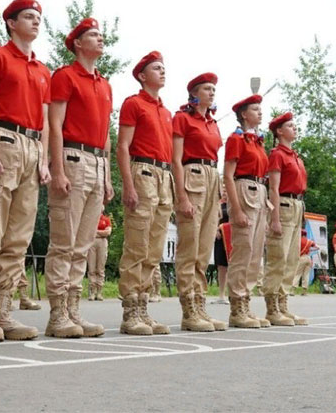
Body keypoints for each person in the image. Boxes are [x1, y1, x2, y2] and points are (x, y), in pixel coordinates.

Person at [0, 0, 51, 342]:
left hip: (32, 148)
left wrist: (45, 159)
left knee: (18, 237)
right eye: (28, 17)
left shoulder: (42, 69)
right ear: (10, 22)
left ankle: (5, 313)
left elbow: (46, 120)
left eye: (38, 18)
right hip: (3, 141)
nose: (35, 22)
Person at [44, 17, 112, 339]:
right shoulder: (65, 76)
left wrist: (108, 175)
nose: (100, 40)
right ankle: (58, 313)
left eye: (101, 35)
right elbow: (54, 124)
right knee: (64, 242)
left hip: (97, 163)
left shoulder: (104, 83)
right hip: (72, 158)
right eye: (93, 36)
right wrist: (56, 169)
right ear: (77, 43)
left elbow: (105, 134)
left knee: (83, 245)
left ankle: (74, 309)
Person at [117, 51, 173, 335]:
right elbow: (123, 146)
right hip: (143, 171)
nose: (163, 72)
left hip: (164, 175)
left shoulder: (165, 112)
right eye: (156, 68)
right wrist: (128, 184)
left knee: (154, 247)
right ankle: (130, 311)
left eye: (164, 68)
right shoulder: (134, 104)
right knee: (137, 244)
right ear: (142, 75)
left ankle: (143, 306)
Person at [172, 72, 225, 332]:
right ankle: (189, 309)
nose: (212, 92)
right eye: (206, 88)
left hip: (212, 176)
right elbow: (176, 158)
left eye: (213, 88)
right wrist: (181, 196)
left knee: (204, 249)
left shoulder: (213, 123)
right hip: (191, 174)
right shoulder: (183, 118)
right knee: (189, 246)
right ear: (194, 93)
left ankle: (200, 303)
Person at [223, 94, 269, 328]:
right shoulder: (236, 139)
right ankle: (237, 305)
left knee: (255, 252)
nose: (260, 113)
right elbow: (228, 176)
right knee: (243, 249)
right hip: (244, 189)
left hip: (259, 191)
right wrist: (237, 209)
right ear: (243, 114)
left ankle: (246, 301)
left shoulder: (258, 142)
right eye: (255, 109)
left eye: (260, 109)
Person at [263, 112, 308, 326]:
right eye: (290, 126)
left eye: (294, 125)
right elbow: (273, 187)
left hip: (297, 204)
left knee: (291, 258)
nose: (295, 128)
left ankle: (283, 304)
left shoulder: (295, 156)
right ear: (279, 131)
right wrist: (274, 218)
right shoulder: (277, 155)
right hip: (282, 203)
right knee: (278, 257)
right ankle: (272, 307)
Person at [212, 191, 230, 304]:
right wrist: (216, 229)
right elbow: (213, 220)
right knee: (221, 266)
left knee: (234, 266)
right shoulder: (217, 206)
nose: (224, 192)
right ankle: (221, 295)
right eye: (223, 190)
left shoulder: (235, 205)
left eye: (226, 190)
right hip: (220, 238)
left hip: (232, 237)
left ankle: (233, 294)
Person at [88, 214, 112, 301]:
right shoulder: (91, 217)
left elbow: (108, 232)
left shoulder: (106, 219)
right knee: (91, 268)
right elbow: (89, 232)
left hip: (102, 242)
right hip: (92, 243)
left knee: (100, 268)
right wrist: (101, 232)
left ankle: (99, 291)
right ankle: (92, 291)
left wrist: (96, 232)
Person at [293, 229, 317, 295]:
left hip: (302, 258)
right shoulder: (309, 241)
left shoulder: (298, 241)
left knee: (297, 274)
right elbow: (317, 247)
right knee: (306, 275)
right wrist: (309, 249)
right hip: (308, 258)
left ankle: (293, 289)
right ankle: (304, 291)